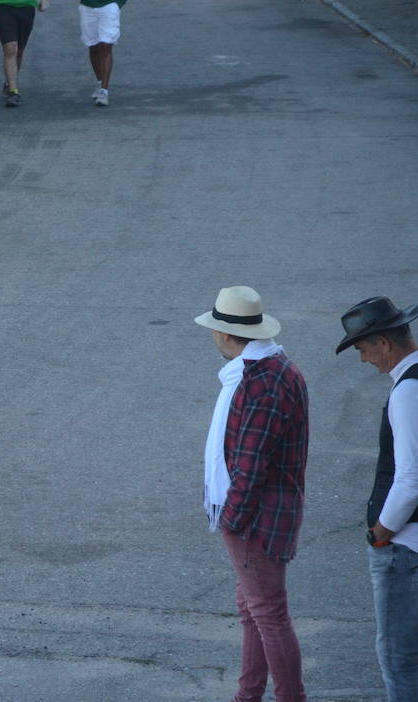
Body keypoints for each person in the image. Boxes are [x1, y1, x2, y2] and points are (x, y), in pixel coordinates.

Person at [195, 286, 308, 702]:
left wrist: (231, 521)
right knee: (254, 612)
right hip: (273, 511)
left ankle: (289, 697)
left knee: (269, 615)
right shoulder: (276, 368)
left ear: (226, 335)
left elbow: (250, 465)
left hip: (256, 518)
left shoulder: (257, 383)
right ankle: (248, 695)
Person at [336, 296, 418, 701]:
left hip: (406, 548)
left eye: (363, 348)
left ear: (384, 342)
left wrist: (380, 532)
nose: (363, 359)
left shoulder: (408, 393)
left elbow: (410, 480)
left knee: (399, 660)